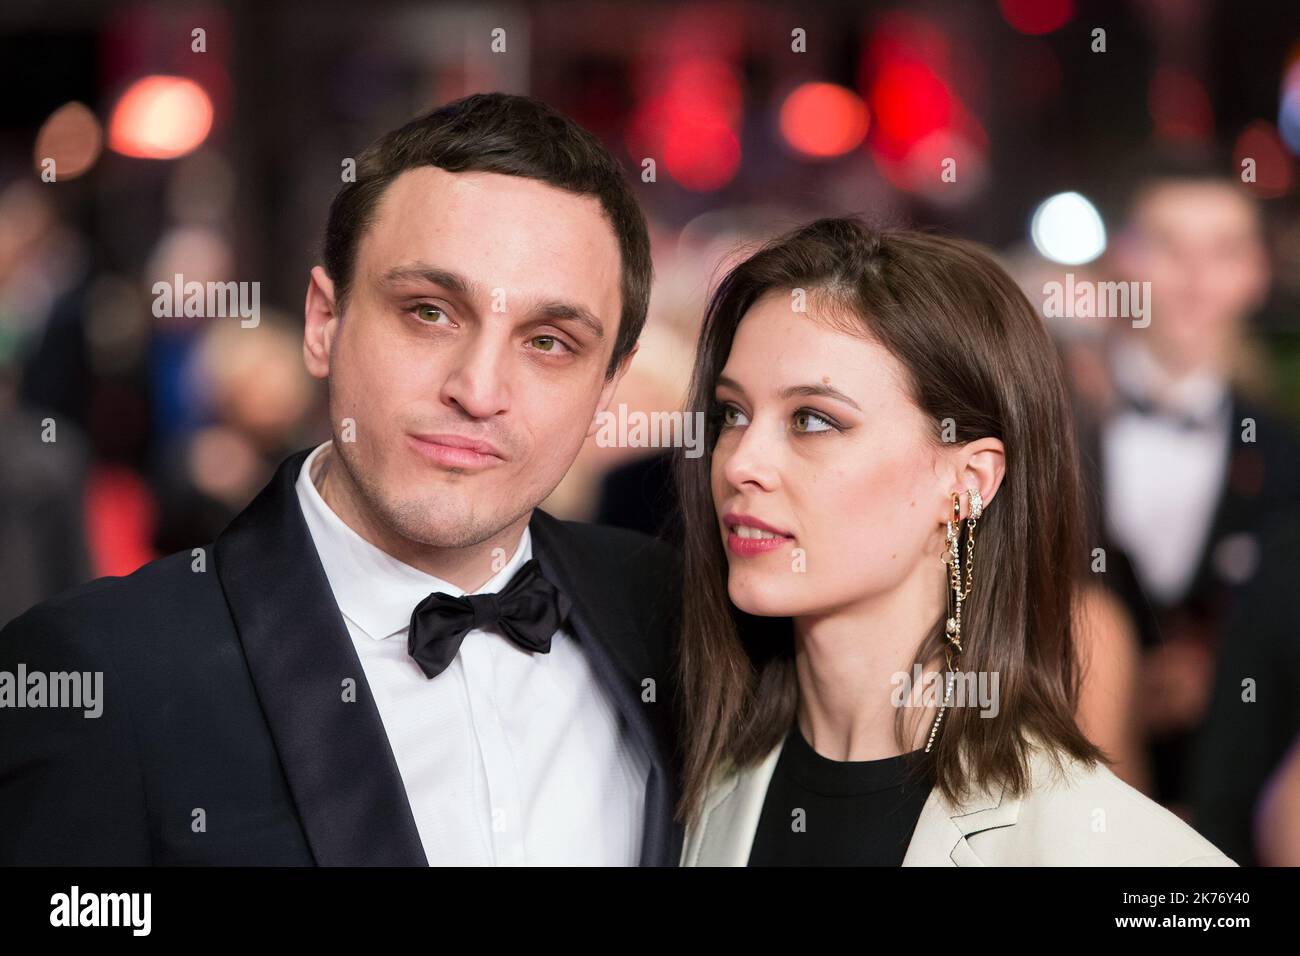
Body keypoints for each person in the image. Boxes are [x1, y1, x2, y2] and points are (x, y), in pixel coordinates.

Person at [0, 92, 681, 866]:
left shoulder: (667, 620)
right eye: (429, 311)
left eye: (551, 341)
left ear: (608, 389)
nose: (479, 388)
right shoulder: (100, 672)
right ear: (325, 322)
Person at [674, 218, 1235, 866]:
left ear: (968, 482)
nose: (742, 461)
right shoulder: (687, 791)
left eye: (813, 420)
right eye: (732, 414)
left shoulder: (1114, 851)